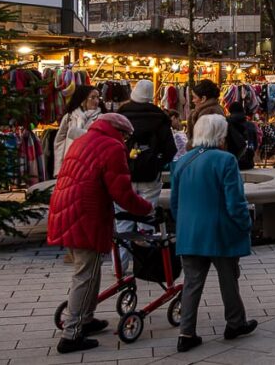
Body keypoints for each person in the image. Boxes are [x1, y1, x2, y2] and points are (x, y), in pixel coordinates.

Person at [47, 113, 153, 354]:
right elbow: (122, 192)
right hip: (86, 215)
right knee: (85, 274)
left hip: (66, 209)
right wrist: (146, 208)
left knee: (89, 271)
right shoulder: (112, 148)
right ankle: (71, 334)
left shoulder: (83, 141)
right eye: (126, 136)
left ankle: (86, 318)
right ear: (119, 132)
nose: (126, 141)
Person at [171, 114, 257, 353]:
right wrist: (245, 224)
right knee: (228, 278)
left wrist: (184, 224)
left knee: (191, 283)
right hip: (220, 231)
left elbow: (175, 203)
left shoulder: (183, 161)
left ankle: (186, 333)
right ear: (220, 135)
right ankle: (235, 322)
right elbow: (235, 201)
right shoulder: (226, 160)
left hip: (190, 232)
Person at [116, 80, 177, 268]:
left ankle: (120, 265)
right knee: (147, 219)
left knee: (122, 220)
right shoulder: (160, 118)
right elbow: (170, 149)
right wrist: (157, 163)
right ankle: (144, 264)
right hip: (150, 176)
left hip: (123, 174)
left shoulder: (120, 116)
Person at [53, 85, 102, 177]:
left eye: (98, 98)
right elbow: (59, 142)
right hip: (70, 164)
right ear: (82, 100)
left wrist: (76, 133)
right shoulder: (69, 117)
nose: (96, 101)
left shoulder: (101, 118)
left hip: (90, 166)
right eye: (92, 97)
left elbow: (100, 139)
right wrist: (59, 169)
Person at [186, 79, 225, 149]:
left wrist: (190, 147)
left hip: (206, 153)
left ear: (203, 98)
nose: (193, 100)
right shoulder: (211, 109)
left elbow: (203, 141)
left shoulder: (209, 112)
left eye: (194, 97)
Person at [226, 101, 258, 170]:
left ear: (230, 111)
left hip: (232, 164)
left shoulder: (227, 124)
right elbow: (255, 145)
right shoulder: (251, 125)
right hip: (248, 164)